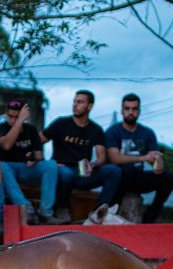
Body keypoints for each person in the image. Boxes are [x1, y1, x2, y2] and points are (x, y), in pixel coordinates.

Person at [40, 90, 121, 223]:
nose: (75, 105)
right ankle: (62, 208)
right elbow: (38, 140)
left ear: (89, 106)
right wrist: (43, 161)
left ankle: (100, 212)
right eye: (74, 101)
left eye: (80, 102)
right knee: (66, 173)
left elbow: (102, 157)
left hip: (82, 172)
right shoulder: (61, 123)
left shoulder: (95, 129)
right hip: (61, 170)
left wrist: (93, 165)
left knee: (114, 171)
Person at [0, 99, 64, 235]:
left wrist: (33, 157)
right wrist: (19, 121)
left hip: (27, 169)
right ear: (6, 114)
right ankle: (25, 206)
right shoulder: (1, 128)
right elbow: (6, 145)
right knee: (0, 166)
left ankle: (46, 212)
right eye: (10, 116)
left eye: (16, 117)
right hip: (7, 171)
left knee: (51, 165)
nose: (13, 120)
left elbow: (40, 154)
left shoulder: (31, 130)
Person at [105, 93, 173, 223]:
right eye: (127, 109)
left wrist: (158, 164)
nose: (130, 112)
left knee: (169, 177)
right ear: (122, 110)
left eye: (134, 109)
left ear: (139, 111)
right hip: (118, 179)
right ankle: (112, 211)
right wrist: (143, 158)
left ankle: (150, 218)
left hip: (137, 177)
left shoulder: (147, 133)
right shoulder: (113, 131)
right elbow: (114, 158)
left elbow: (155, 156)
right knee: (126, 169)